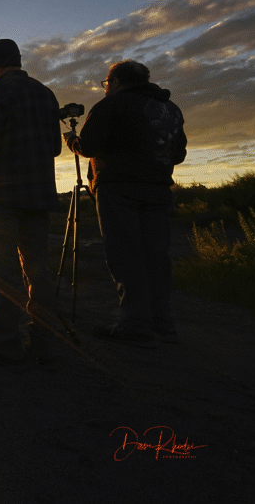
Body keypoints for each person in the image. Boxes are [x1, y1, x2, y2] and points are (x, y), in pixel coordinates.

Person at [64, 60, 186, 348]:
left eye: (106, 84)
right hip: (158, 189)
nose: (106, 88)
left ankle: (136, 325)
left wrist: (72, 141)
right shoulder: (168, 108)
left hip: (119, 189)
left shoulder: (110, 105)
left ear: (116, 82)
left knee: (126, 255)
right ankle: (162, 324)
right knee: (157, 257)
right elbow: (178, 154)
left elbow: (89, 146)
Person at [0, 38, 63, 365]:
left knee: (2, 271)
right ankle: (45, 343)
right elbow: (54, 147)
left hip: (2, 197)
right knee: (39, 271)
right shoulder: (46, 94)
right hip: (39, 195)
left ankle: (6, 346)